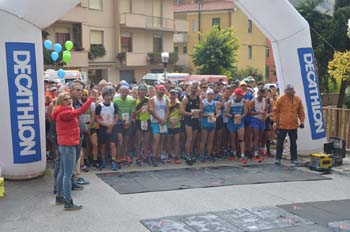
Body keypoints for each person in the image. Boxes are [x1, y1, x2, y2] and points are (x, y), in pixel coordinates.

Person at [52, 89, 98, 210]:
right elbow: (81, 111)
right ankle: (68, 202)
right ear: (61, 101)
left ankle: (60, 196)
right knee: (67, 174)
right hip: (68, 145)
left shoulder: (62, 111)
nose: (69, 100)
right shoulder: (64, 112)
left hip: (65, 144)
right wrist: (91, 100)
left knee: (62, 172)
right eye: (66, 99)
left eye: (69, 99)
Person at [272, 84, 305, 166]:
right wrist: (275, 121)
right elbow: (275, 111)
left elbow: (301, 112)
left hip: (293, 125)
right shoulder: (281, 99)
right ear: (286, 91)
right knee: (280, 142)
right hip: (282, 125)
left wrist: (302, 121)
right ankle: (278, 158)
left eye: (291, 90)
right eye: (288, 90)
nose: (290, 91)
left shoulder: (297, 99)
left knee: (293, 143)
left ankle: (294, 159)